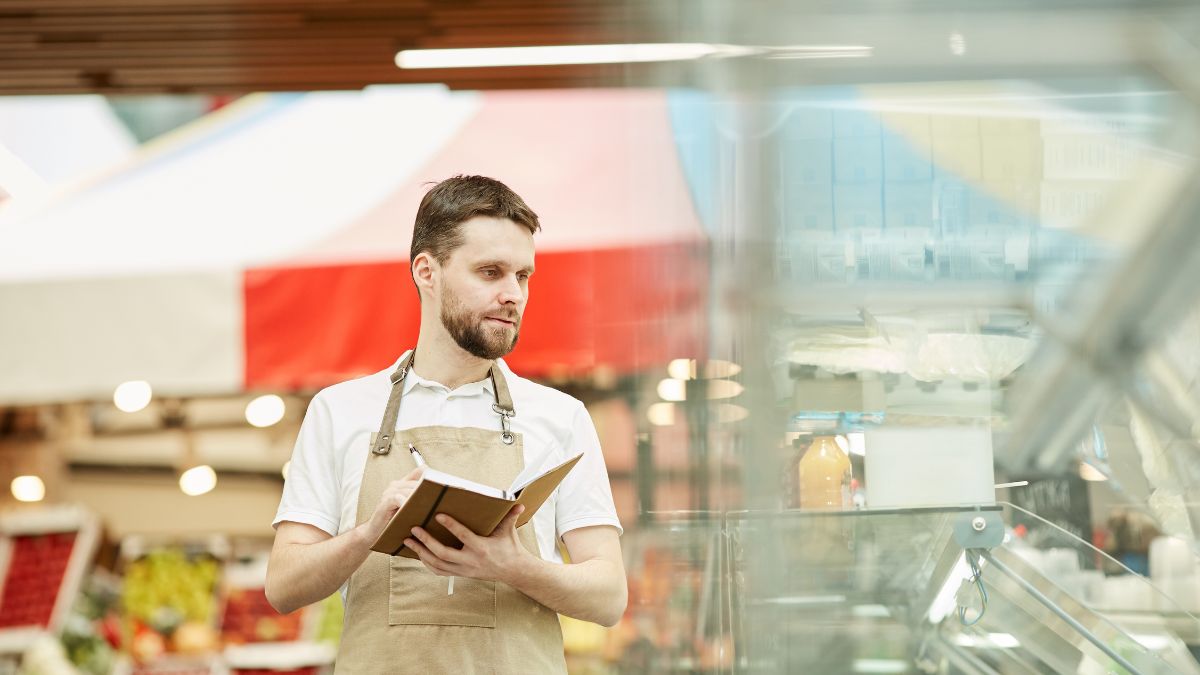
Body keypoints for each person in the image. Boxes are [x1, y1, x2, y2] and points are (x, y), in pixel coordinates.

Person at [265, 175, 627, 673]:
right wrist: (367, 534)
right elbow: (283, 587)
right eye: (490, 272)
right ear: (426, 271)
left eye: (523, 276)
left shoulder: (560, 416)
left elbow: (609, 596)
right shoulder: (338, 410)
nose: (513, 295)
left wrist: (513, 566)